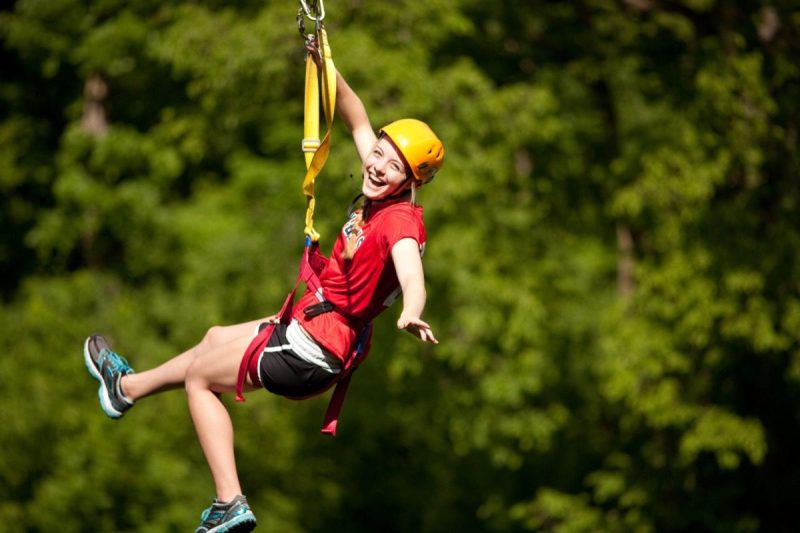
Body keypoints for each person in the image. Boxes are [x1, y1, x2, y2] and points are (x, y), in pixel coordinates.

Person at [82, 42, 444, 533]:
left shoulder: (398, 222)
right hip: (312, 325)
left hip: (315, 347)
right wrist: (324, 64)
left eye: (392, 166)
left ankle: (230, 502)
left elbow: (412, 274)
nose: (377, 166)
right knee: (211, 338)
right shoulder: (381, 188)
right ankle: (124, 390)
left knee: (200, 381)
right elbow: (357, 119)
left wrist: (412, 310)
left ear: (410, 181)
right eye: (379, 154)